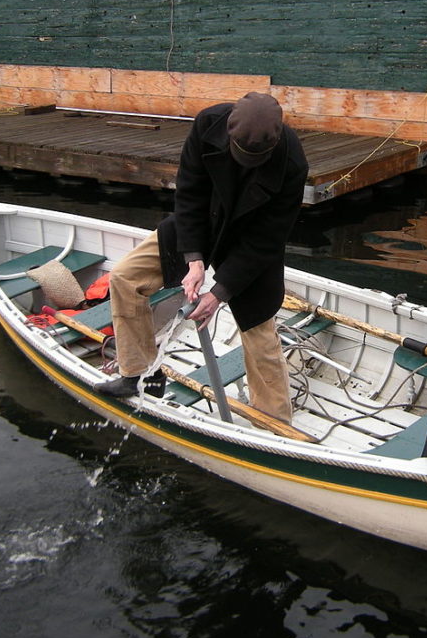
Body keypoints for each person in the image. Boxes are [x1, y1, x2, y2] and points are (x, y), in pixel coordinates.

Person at [95, 91, 309, 423]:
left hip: (249, 242)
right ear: (229, 132)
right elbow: (190, 192)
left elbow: (268, 238)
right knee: (126, 277)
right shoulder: (208, 124)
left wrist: (219, 293)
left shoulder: (293, 164)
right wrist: (194, 259)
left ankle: (274, 422)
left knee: (258, 327)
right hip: (201, 223)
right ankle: (138, 374)